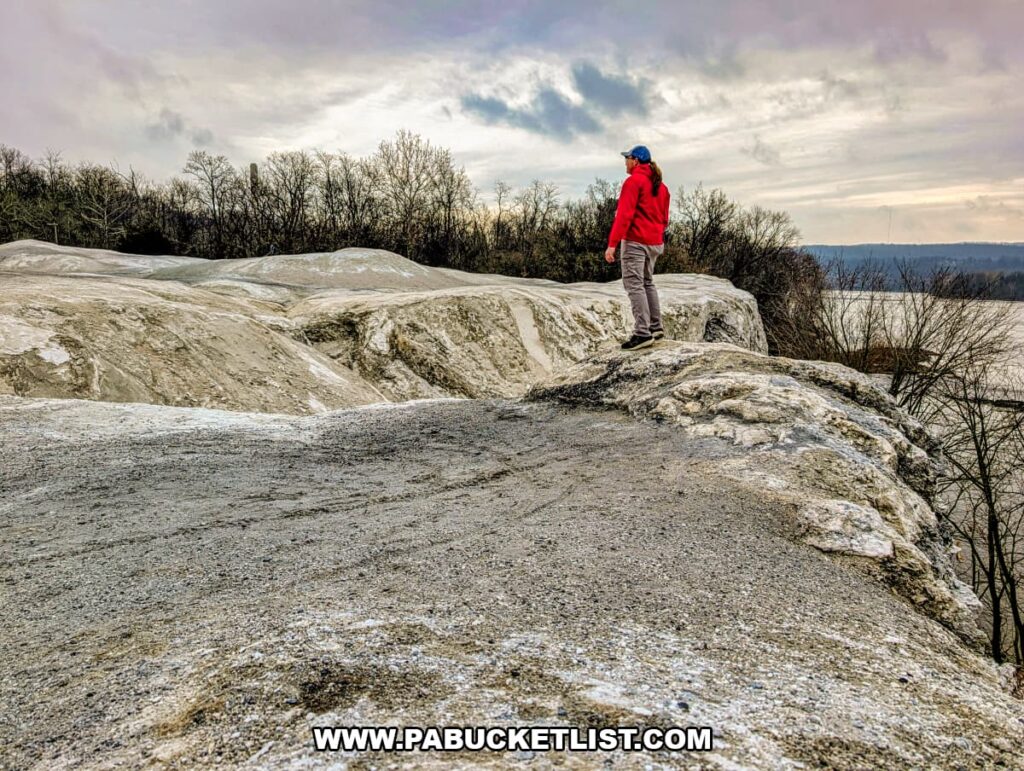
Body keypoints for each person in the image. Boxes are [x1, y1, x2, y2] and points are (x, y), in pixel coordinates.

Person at [604, 145, 670, 350]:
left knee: (634, 285)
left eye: (628, 158)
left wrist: (612, 245)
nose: (625, 161)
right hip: (655, 242)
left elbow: (624, 215)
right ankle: (655, 327)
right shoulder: (662, 187)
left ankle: (642, 333)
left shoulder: (634, 182)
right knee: (647, 282)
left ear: (637, 161)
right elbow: (665, 218)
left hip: (636, 241)